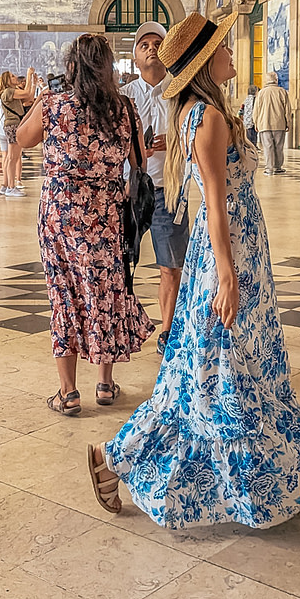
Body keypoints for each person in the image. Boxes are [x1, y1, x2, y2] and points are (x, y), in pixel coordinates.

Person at [85, 12, 300, 525]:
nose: (231, 53)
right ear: (204, 63)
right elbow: (216, 203)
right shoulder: (210, 118)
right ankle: (275, 484)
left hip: (231, 250)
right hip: (231, 251)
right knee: (232, 372)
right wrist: (227, 274)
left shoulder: (199, 112)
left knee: (213, 370)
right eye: (222, 47)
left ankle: (288, 482)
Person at [16, 33, 154, 415]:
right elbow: (137, 162)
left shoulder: (54, 106)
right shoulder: (125, 109)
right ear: (108, 69)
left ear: (72, 68)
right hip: (106, 216)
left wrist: (42, 99)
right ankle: (105, 384)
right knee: (105, 292)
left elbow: (21, 138)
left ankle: (68, 392)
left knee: (65, 296)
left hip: (60, 216)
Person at [120, 20, 190, 356]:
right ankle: (121, 324)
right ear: (134, 57)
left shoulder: (180, 93)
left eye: (156, 43)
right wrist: (136, 152)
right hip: (130, 191)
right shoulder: (124, 97)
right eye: (143, 44)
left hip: (167, 189)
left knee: (170, 264)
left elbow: (195, 138)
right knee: (120, 262)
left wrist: (171, 143)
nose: (150, 48)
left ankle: (168, 329)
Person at [0, 68, 36, 197]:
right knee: (13, 157)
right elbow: (27, 92)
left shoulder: (11, 93)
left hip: (12, 125)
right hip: (13, 125)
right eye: (12, 76)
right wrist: (29, 75)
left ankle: (6, 185)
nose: (16, 77)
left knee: (10, 157)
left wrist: (32, 82)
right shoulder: (8, 92)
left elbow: (29, 96)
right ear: (7, 80)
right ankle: (11, 187)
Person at [253, 71, 294, 177]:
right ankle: (277, 167)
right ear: (276, 80)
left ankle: (269, 168)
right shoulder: (282, 91)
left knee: (268, 146)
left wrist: (256, 122)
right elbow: (287, 109)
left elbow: (256, 109)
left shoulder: (261, 93)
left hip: (264, 123)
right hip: (279, 123)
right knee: (279, 146)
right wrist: (288, 122)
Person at [241, 83, 258, 148]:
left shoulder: (246, 99)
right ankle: (253, 146)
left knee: (248, 134)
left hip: (246, 120)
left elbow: (242, 109)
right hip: (252, 120)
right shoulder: (255, 99)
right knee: (253, 135)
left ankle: (249, 146)